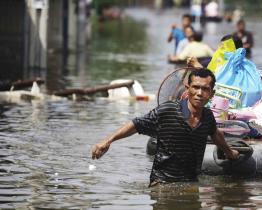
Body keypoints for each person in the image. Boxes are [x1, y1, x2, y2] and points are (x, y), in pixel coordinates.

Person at [92, 69, 239, 186]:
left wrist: (229, 152)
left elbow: (215, 134)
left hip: (190, 183)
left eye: (205, 89)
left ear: (212, 94)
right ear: (188, 89)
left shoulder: (207, 116)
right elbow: (136, 124)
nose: (200, 93)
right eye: (196, 87)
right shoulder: (168, 110)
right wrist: (107, 141)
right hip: (162, 184)